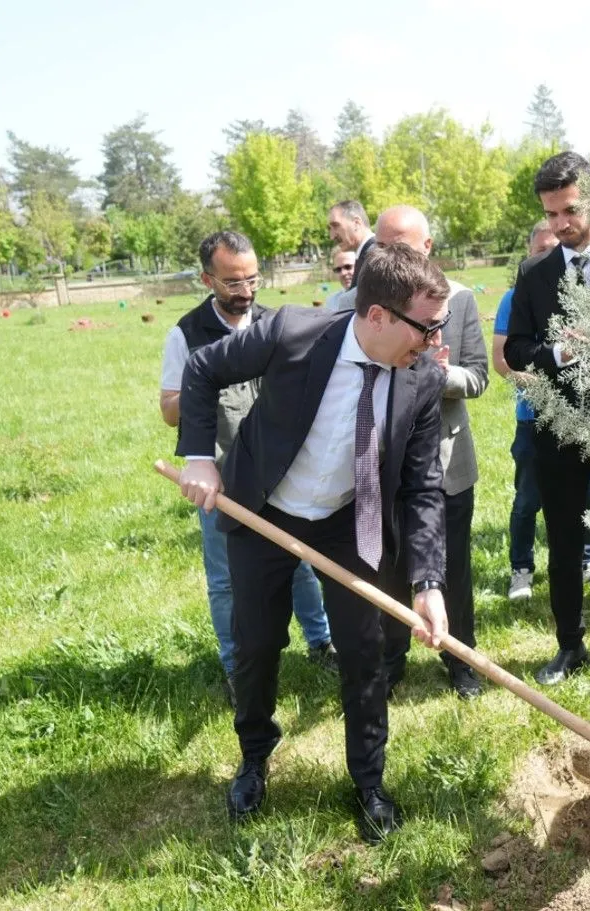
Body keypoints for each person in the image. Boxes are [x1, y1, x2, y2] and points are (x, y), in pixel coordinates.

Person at [175, 243, 450, 844]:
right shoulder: (294, 332)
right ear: (377, 316)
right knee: (257, 646)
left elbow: (423, 489)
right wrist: (200, 458)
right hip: (264, 510)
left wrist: (428, 583)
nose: (432, 344)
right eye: (425, 329)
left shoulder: (423, 380)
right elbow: (201, 371)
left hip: (348, 519)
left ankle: (369, 781)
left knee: (365, 651)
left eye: (440, 327)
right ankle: (253, 759)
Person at [160, 232, 337, 700]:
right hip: (220, 476)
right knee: (226, 580)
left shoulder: (273, 323)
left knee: (297, 561)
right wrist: (208, 384)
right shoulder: (186, 333)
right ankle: (237, 665)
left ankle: (320, 644)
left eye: (253, 279)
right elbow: (167, 408)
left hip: (279, 471)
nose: (245, 291)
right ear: (206, 279)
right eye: (233, 282)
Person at [505, 151, 590, 686]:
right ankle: (569, 645)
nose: (561, 224)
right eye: (551, 214)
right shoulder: (534, 272)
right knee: (562, 540)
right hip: (559, 427)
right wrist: (556, 354)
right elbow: (515, 348)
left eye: (570, 210)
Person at [363, 206, 488, 700]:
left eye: (403, 246)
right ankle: (390, 659)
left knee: (449, 567)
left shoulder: (457, 300)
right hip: (375, 465)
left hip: (443, 465)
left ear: (428, 247)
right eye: (382, 245)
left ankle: (460, 659)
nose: (391, 255)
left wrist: (438, 373)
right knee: (386, 568)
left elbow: (477, 376)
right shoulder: (352, 303)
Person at [492, 221, 590, 601]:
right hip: (536, 418)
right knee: (528, 499)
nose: (548, 254)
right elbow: (504, 358)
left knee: (589, 497)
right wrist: (546, 379)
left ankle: (588, 561)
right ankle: (521, 568)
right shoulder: (518, 295)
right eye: (539, 250)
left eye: (551, 247)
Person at [328, 200, 377, 280]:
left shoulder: (375, 256)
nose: (332, 236)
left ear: (356, 223)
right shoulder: (365, 254)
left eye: (336, 226)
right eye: (330, 229)